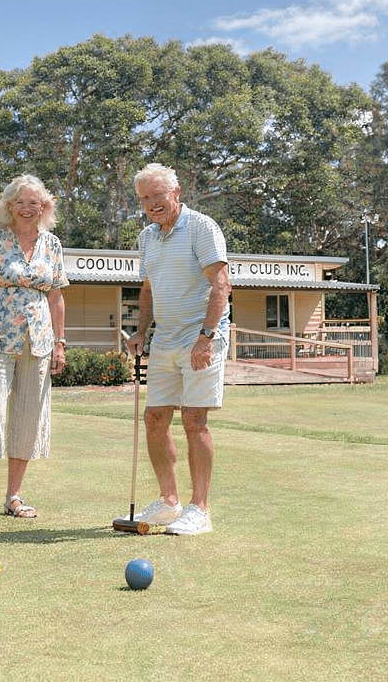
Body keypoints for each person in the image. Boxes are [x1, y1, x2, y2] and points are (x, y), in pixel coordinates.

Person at [125, 163, 231, 535]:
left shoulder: (201, 227)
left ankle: (199, 509)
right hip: (165, 339)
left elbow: (221, 284)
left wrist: (206, 336)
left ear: (176, 192)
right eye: (145, 197)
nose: (153, 203)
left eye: (158, 194)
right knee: (154, 418)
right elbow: (149, 289)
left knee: (193, 420)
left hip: (201, 338)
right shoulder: (147, 238)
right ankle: (169, 502)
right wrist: (140, 332)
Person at [0, 174, 70, 520]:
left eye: (34, 203)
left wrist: (60, 343)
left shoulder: (52, 244)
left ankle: (13, 496)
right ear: (9, 206)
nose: (27, 209)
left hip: (38, 342)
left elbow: (56, 297)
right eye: (20, 202)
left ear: (44, 207)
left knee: (27, 419)